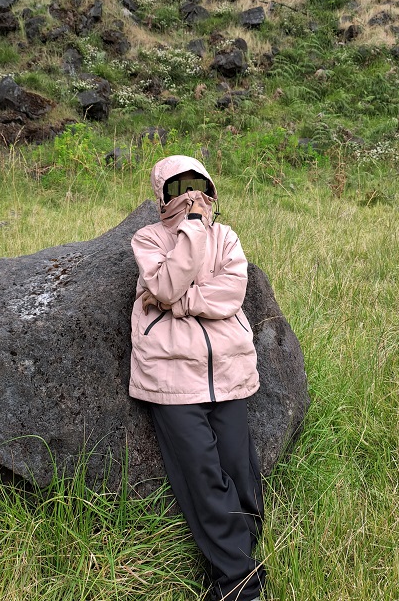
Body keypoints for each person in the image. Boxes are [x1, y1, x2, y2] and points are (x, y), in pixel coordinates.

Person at [129, 155, 265, 601]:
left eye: (199, 186)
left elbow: (231, 293)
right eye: (178, 187)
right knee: (204, 478)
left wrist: (180, 302)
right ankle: (240, 586)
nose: (191, 196)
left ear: (212, 190)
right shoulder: (148, 239)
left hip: (228, 368)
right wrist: (190, 229)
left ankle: (236, 559)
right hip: (170, 376)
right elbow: (166, 284)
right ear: (162, 196)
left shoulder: (226, 237)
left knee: (241, 473)